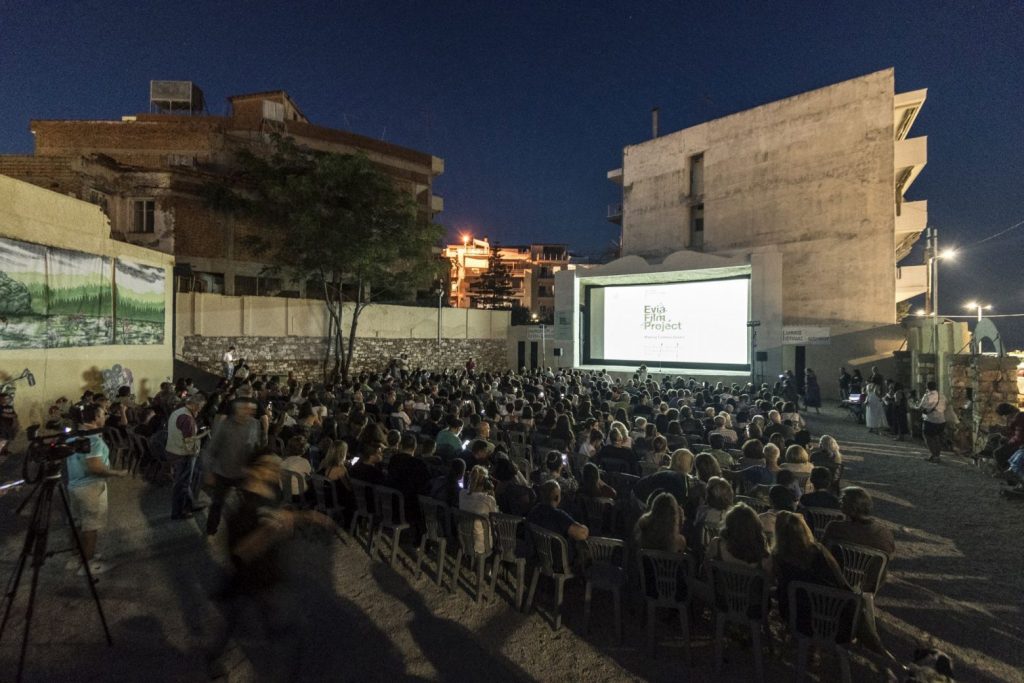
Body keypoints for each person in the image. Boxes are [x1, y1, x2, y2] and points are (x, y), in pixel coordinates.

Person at [205, 452, 331, 678]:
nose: (273, 470)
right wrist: (272, 530)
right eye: (267, 466)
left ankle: (214, 656)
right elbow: (243, 551)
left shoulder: (269, 494)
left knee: (235, 620)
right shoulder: (245, 506)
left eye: (276, 466)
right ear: (251, 470)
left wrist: (306, 516)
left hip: (261, 575)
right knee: (286, 635)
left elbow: (276, 515)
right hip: (258, 578)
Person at [65, 405, 129, 575]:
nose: (106, 417)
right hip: (90, 488)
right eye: (103, 414)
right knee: (90, 527)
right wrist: (117, 473)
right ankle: (89, 564)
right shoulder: (93, 440)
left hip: (74, 485)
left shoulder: (72, 437)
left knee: (78, 523)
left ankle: (76, 556)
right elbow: (95, 467)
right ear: (94, 418)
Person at [204, 398, 265, 537]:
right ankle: (211, 529)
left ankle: (246, 532)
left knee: (249, 504)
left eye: (252, 410)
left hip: (243, 472)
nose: (250, 412)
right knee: (217, 503)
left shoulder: (255, 424)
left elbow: (256, 446)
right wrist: (209, 471)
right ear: (237, 410)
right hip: (223, 472)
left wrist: (256, 467)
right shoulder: (225, 425)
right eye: (246, 409)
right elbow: (211, 449)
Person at [526, 480, 589, 568]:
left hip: (539, 555)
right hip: (558, 559)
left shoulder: (533, 511)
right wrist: (585, 528)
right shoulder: (558, 515)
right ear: (557, 497)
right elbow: (581, 534)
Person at [166, 393, 208, 520]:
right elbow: (189, 444)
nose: (200, 410)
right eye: (200, 407)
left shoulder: (177, 412)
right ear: (195, 405)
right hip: (183, 455)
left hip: (172, 450)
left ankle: (191, 504)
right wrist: (196, 451)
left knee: (184, 482)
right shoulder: (188, 419)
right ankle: (177, 513)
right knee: (182, 484)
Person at [706, 502, 772, 573]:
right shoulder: (764, 560)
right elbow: (769, 581)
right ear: (755, 527)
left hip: (718, 584)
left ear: (729, 525)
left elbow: (705, 568)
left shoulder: (716, 545)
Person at [459, 465, 498, 553]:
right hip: (483, 544)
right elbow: (495, 519)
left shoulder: (461, 494)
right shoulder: (487, 499)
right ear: (485, 482)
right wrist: (492, 495)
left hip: (464, 540)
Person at [917, 381, 946, 463]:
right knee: (937, 438)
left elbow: (920, 407)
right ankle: (937, 456)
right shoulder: (942, 395)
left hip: (930, 420)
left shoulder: (927, 396)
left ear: (927, 387)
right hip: (941, 420)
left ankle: (934, 455)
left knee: (928, 437)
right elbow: (945, 406)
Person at [0, 392, 20, 456]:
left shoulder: (9, 407)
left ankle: (5, 450)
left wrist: (16, 422)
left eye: (6, 398)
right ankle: (1, 450)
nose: (5, 400)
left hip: (10, 425)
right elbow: (3, 414)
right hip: (2, 426)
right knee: (3, 439)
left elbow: (15, 415)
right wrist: (12, 416)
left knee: (9, 438)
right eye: (3, 398)